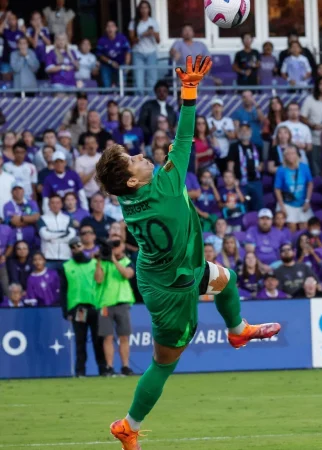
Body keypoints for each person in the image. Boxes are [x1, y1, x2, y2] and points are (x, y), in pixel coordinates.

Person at [94, 56, 281, 448]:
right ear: (132, 179)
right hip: (171, 291)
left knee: (226, 280)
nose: (144, 156)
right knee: (165, 363)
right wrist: (189, 91)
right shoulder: (167, 182)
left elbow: (169, 151)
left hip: (170, 266)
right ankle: (128, 425)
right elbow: (183, 140)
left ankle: (237, 331)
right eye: (135, 160)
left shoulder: (132, 199)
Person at [60, 237, 105, 377]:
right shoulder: (67, 266)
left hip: (95, 306)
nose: (76, 249)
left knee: (99, 339)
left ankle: (103, 369)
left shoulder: (94, 263)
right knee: (80, 340)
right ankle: (80, 371)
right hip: (78, 308)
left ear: (82, 246)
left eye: (78, 245)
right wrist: (65, 310)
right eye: (72, 247)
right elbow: (63, 290)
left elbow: (100, 281)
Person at [96, 237, 136, 377]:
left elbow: (127, 274)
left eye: (117, 245)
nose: (114, 248)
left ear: (123, 246)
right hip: (106, 303)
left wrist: (113, 260)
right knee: (107, 337)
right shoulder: (103, 263)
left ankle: (125, 366)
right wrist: (100, 260)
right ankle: (109, 366)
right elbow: (98, 279)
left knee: (124, 337)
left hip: (122, 303)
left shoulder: (127, 262)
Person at [274, 145, 313, 232]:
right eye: (288, 154)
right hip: (287, 202)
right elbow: (277, 189)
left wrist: (307, 201)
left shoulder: (304, 167)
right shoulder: (281, 170)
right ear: (285, 156)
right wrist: (281, 206)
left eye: (293, 153)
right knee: (292, 226)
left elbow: (310, 184)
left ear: (297, 155)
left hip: (302, 202)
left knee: (305, 226)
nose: (291, 156)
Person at [128, 0, 160, 93]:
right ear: (139, 9)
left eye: (146, 7)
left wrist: (153, 33)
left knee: (152, 79)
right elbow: (132, 40)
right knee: (138, 80)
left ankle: (152, 99)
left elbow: (158, 41)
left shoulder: (153, 22)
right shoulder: (134, 22)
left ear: (149, 9)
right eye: (142, 8)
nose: (144, 10)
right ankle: (139, 100)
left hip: (151, 53)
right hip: (138, 53)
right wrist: (142, 35)